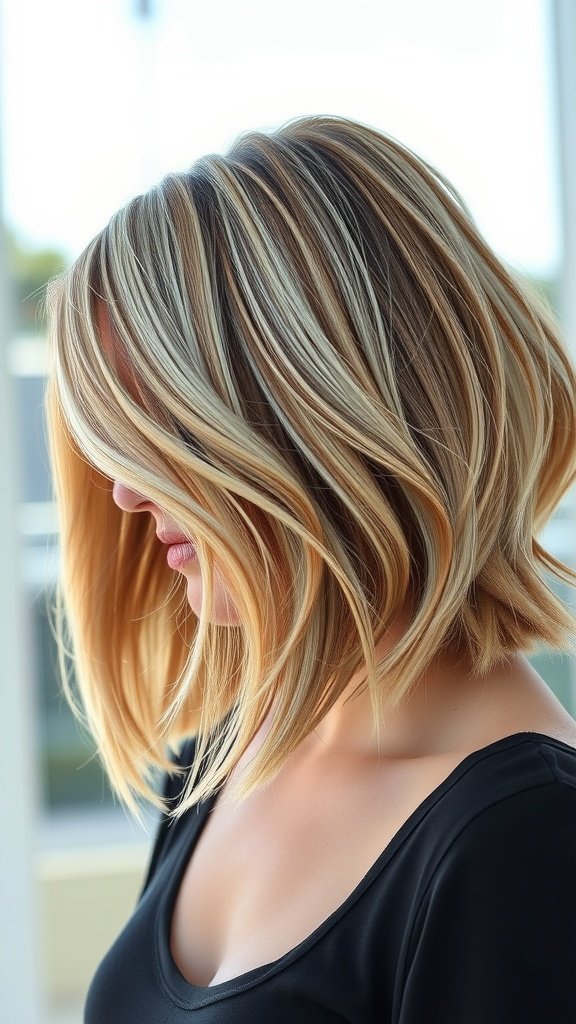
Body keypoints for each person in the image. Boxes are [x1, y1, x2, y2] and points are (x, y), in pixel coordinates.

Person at [44, 113, 576, 1023]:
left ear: (321, 410)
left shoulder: (526, 843)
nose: (126, 496)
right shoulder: (216, 764)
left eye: (165, 426)